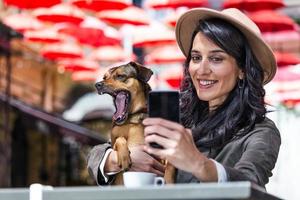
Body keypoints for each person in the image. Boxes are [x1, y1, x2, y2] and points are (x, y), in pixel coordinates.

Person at [87, 7, 281, 188]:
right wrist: (118, 159)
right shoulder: (176, 115)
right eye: (196, 58)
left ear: (243, 70)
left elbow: (251, 182)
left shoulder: (260, 131)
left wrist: (199, 164)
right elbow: (97, 154)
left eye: (216, 58)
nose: (202, 70)